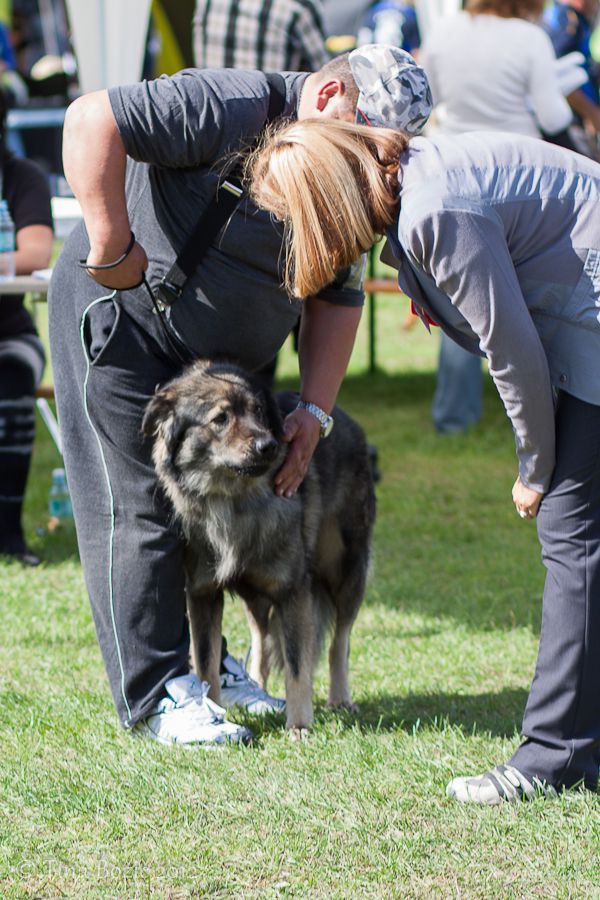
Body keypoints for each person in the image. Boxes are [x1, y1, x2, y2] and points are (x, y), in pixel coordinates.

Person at [49, 47, 432, 746]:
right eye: (366, 141)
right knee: (133, 505)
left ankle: (206, 670)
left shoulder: (352, 171)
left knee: (215, 518)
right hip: (124, 322)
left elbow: (338, 300)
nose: (374, 167)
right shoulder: (229, 105)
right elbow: (89, 120)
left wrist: (314, 411)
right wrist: (109, 243)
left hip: (226, 367)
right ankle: (158, 695)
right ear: (327, 98)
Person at [248, 115, 600, 802]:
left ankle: (554, 759)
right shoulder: (418, 181)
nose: (296, 238)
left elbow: (514, 350)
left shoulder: (435, 209)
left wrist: (535, 468)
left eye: (295, 219)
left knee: (573, 538)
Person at [421, 0, 573, 434]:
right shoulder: (530, 39)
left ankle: (454, 419)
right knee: (537, 299)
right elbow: (553, 115)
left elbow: (427, 101)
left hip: (449, 174)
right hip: (516, 179)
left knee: (461, 299)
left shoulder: (444, 34)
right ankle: (547, 417)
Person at [0, 88, 53, 566]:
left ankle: (9, 531)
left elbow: (36, 254)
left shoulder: (21, 177)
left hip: (11, 332)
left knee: (14, 378)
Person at [193, 0, 329, 72]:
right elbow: (326, 75)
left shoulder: (207, 2)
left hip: (214, 114)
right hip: (272, 121)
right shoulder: (299, 6)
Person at [544, 0, 600, 156]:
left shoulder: (572, 18)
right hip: (571, 122)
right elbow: (560, 77)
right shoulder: (568, 20)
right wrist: (591, 113)